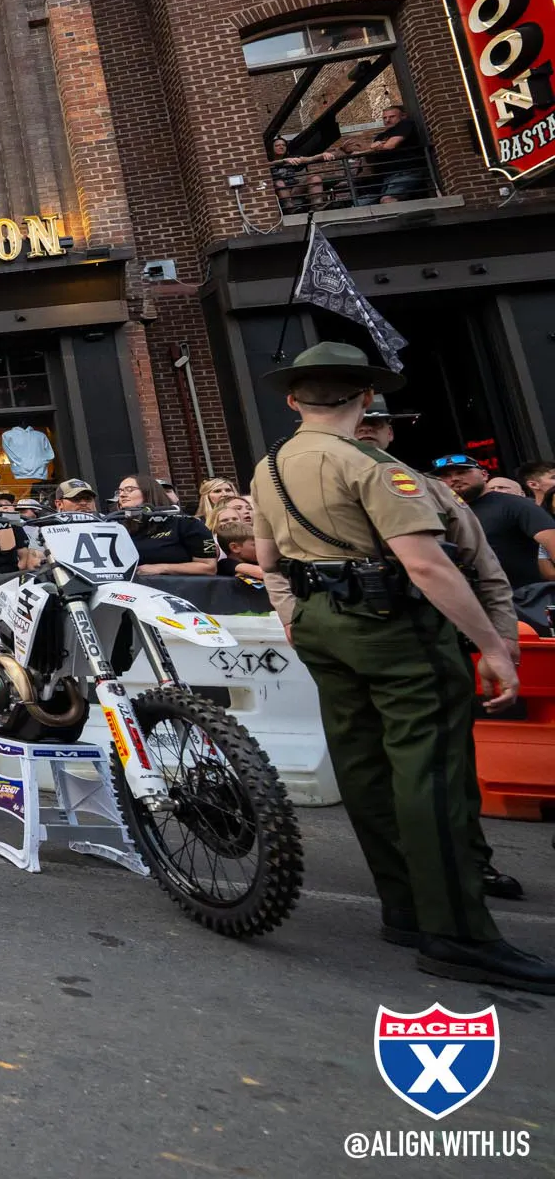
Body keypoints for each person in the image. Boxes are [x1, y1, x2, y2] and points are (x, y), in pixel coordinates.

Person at [250, 342, 548, 992]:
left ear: (295, 400)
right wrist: (496, 648)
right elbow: (427, 564)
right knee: (430, 765)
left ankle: (407, 906)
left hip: (321, 620)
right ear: (362, 401)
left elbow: (269, 560)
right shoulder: (375, 467)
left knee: (362, 763)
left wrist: (293, 618)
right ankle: (457, 931)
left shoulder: (269, 466)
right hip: (391, 625)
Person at [356, 404, 525, 902]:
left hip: (427, 633)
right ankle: (402, 878)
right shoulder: (308, 485)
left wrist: (503, 639)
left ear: (389, 432)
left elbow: (481, 564)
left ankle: (467, 862)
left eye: (376, 422)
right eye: (359, 419)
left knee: (445, 762)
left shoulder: (426, 488)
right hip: (355, 636)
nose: (366, 428)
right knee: (368, 762)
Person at [433, 455, 555, 592]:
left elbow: (551, 541)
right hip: (473, 600)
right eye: (446, 476)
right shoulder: (443, 514)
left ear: (484, 475)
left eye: (462, 472)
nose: (454, 479)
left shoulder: (515, 505)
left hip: (525, 599)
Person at [113, 472, 224, 576]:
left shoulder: (186, 523)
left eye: (129, 490)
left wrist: (161, 568)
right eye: (120, 491)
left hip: (178, 589)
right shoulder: (118, 526)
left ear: (149, 492)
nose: (122, 495)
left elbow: (209, 568)